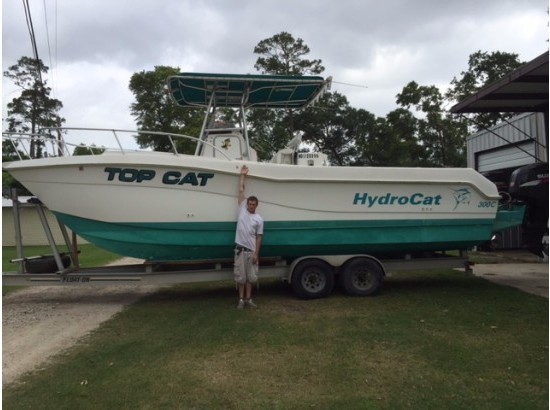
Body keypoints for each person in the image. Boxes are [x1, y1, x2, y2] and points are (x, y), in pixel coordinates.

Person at [234, 164, 263, 309]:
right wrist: (242, 175)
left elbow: (259, 237)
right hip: (240, 249)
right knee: (241, 277)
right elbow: (241, 190)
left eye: (253, 204)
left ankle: (249, 299)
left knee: (250, 278)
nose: (251, 206)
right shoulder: (242, 210)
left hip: (252, 251)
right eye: (249, 204)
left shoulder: (259, 219)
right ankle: (240, 300)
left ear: (256, 206)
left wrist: (256, 254)